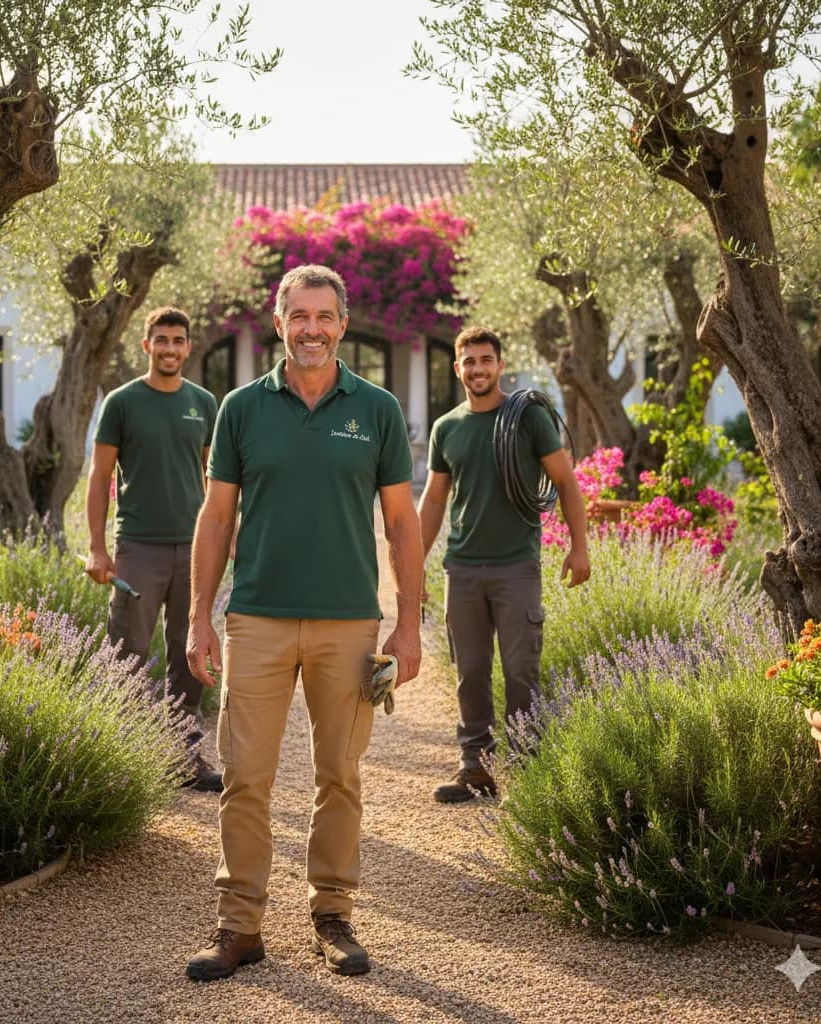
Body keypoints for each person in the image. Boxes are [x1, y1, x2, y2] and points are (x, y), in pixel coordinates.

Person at [184, 264, 422, 981]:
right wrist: (201, 617)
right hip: (255, 620)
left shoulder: (376, 409)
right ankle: (239, 926)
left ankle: (332, 915)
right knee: (245, 779)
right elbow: (217, 515)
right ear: (278, 321)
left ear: (342, 325)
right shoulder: (242, 410)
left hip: (349, 624)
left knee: (340, 777)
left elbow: (403, 522)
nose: (312, 329)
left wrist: (408, 625)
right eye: (300, 316)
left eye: (325, 316)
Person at [418, 325, 590, 803]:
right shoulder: (446, 428)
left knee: (520, 672)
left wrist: (579, 548)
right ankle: (475, 769)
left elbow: (567, 483)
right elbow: (434, 501)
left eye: (485, 360)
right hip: (463, 569)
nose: (478, 369)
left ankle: (527, 774)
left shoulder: (529, 417)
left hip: (517, 568)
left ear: (499, 364)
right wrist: (411, 570)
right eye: (469, 361)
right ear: (458, 368)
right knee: (470, 672)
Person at [84, 306, 222, 792]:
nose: (169, 349)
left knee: (190, 653)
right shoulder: (122, 403)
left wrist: (225, 544)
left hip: (194, 549)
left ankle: (184, 753)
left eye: (177, 341)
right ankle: (126, 759)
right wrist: (98, 549)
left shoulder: (205, 403)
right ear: (146, 345)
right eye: (160, 340)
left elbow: (216, 482)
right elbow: (100, 478)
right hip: (138, 548)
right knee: (128, 651)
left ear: (188, 346)